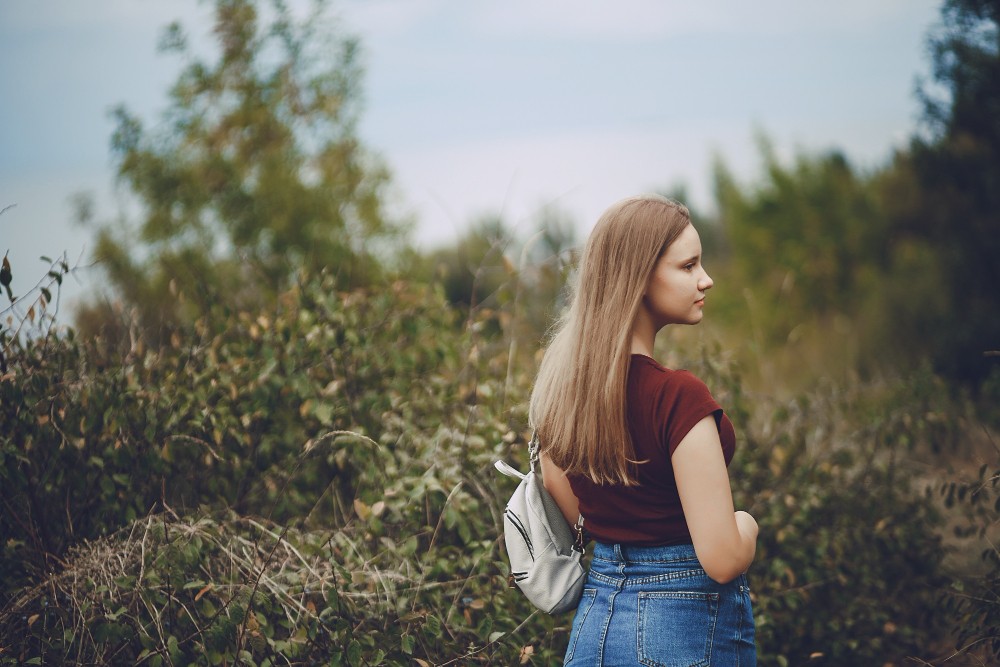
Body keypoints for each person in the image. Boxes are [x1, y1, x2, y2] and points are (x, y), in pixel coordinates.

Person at [529, 194, 758, 665]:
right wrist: (746, 525)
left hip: (595, 624)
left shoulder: (561, 394)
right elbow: (721, 557)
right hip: (681, 623)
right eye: (688, 265)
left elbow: (572, 506)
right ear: (638, 278)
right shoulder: (677, 398)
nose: (705, 279)